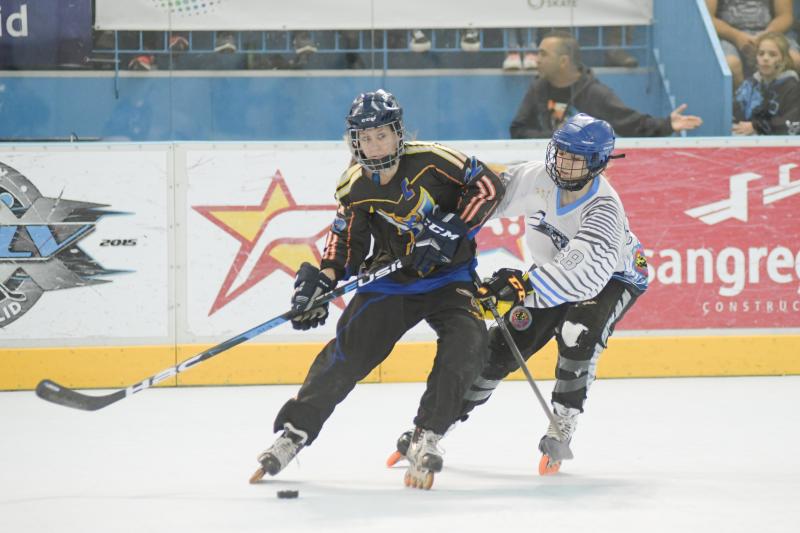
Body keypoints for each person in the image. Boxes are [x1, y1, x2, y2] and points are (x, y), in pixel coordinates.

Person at [249, 89, 506, 490]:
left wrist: (454, 228)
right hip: (391, 282)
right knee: (349, 352)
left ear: (398, 132)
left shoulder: (436, 160)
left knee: (468, 345)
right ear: (354, 142)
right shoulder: (354, 185)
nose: (374, 145)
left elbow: (488, 186)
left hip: (449, 278)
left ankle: (428, 435)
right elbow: (348, 242)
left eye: (382, 134)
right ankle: (295, 433)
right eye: (365, 138)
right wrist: (326, 278)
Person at [390, 113, 648, 475]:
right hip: (548, 274)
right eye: (560, 153)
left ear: (598, 163)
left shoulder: (604, 211)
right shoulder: (537, 177)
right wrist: (448, 227)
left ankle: (564, 419)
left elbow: (581, 277)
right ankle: (436, 425)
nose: (563, 164)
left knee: (577, 334)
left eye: (575, 159)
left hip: (612, 278)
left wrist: (520, 289)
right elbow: (490, 196)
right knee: (497, 349)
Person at [509, 30, 703, 138]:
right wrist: (556, 137)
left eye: (543, 54)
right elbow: (517, 131)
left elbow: (631, 123)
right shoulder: (538, 88)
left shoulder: (594, 93)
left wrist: (668, 124)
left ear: (563, 62)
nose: (537, 59)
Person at [706, 0, 800, 89]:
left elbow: (785, 16)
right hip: (729, 35)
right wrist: (737, 36)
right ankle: (745, 99)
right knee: (730, 64)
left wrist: (766, 37)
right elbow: (707, 17)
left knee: (795, 60)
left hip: (771, 31)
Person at [733, 32, 800, 134]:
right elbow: (733, 113)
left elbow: (793, 123)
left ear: (784, 59)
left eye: (772, 54)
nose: (765, 58)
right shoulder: (750, 84)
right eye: (761, 54)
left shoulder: (793, 88)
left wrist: (756, 127)